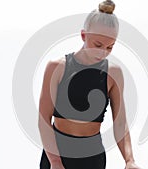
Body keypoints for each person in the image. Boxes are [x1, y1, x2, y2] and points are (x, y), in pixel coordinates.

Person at [38, 0, 141, 168]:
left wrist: (129, 160)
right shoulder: (56, 67)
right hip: (57, 155)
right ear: (84, 35)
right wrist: (55, 162)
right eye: (98, 45)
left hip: (92, 157)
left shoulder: (113, 74)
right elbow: (43, 119)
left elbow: (120, 123)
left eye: (110, 47)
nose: (103, 52)